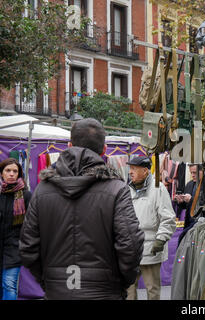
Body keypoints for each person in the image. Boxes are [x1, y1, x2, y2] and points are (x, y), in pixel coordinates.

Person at [19, 118, 144, 300]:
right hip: (104, 290)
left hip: (59, 291)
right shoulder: (117, 189)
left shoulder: (42, 190)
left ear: (69, 145)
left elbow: (28, 247)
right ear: (104, 150)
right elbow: (130, 246)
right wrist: (120, 282)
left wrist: (50, 280)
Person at [126, 156, 176, 300]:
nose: (130, 172)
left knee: (152, 289)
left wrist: (160, 240)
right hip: (131, 248)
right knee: (128, 288)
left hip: (151, 248)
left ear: (146, 171)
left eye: (134, 168)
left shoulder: (158, 189)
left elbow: (168, 218)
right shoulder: (128, 189)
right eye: (130, 168)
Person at [0, 158, 32, 300]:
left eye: (15, 171)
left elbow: (31, 223)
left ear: (19, 174)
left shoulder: (25, 195)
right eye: (8, 170)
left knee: (9, 284)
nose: (11, 174)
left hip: (14, 247)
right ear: (1, 173)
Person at [176, 164, 205, 229]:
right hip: (189, 223)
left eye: (194, 172)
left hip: (203, 224)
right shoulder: (189, 184)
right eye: (191, 172)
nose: (192, 175)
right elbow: (186, 206)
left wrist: (191, 200)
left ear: (202, 171)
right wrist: (180, 201)